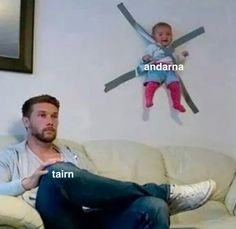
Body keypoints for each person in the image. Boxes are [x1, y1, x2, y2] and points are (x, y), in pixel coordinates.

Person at [0, 95, 216, 229]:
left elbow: (95, 187)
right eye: (42, 115)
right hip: (58, 218)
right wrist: (27, 183)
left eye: (54, 116)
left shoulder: (73, 154)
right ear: (26, 121)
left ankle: (158, 196)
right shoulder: (11, 155)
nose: (50, 121)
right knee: (56, 172)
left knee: (154, 206)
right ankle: (164, 191)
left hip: (92, 218)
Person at [139, 22, 188, 111]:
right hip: (157, 69)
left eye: (168, 34)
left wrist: (182, 56)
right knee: (152, 83)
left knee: (175, 86)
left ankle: (177, 104)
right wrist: (145, 58)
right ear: (154, 37)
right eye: (160, 34)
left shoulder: (171, 49)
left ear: (172, 37)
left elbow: (176, 60)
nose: (165, 36)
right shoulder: (152, 47)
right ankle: (148, 100)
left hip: (169, 71)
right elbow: (147, 56)